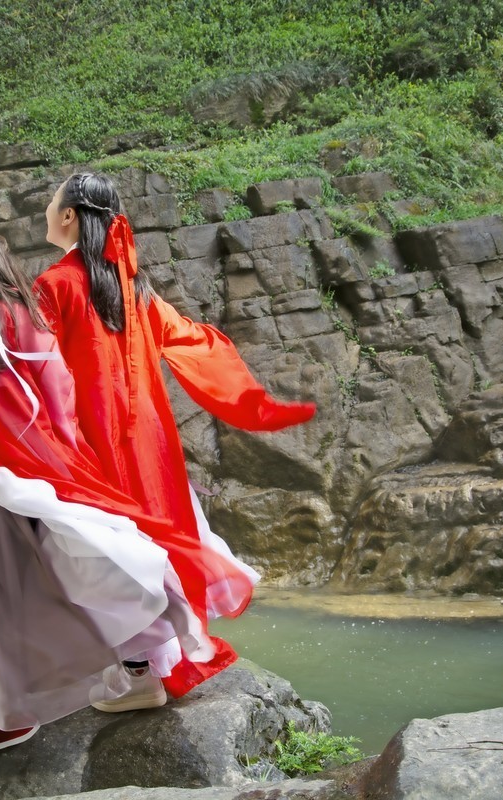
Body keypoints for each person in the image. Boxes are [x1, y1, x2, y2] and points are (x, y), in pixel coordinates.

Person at [0, 195, 218, 751]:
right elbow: (57, 390)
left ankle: (0, 716)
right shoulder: (20, 307)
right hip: (34, 459)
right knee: (81, 556)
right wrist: (63, 453)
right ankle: (139, 666)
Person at [33, 172, 316, 712]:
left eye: (51, 203)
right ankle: (155, 664)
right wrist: (255, 403)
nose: (47, 211)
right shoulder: (133, 285)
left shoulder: (55, 286)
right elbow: (195, 343)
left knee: (96, 555)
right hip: (149, 448)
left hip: (92, 446)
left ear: (69, 215)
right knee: (145, 547)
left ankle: (138, 675)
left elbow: (43, 375)